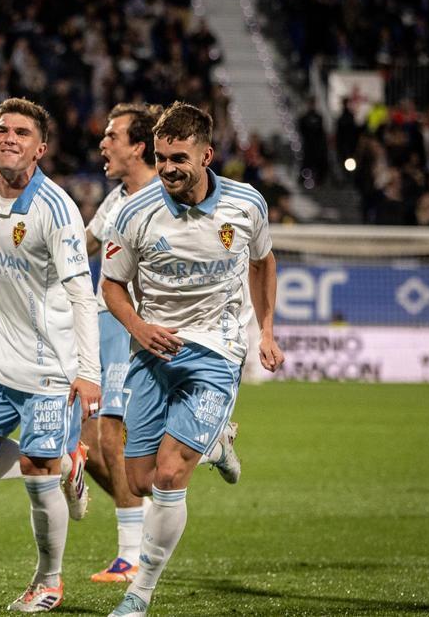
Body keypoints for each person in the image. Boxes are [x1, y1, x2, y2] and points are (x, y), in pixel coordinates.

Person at [103, 102, 284, 617]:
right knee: (137, 481)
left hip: (217, 351)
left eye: (178, 157)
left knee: (168, 475)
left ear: (207, 154)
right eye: (161, 158)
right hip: (153, 351)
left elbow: (263, 262)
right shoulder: (134, 213)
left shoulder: (246, 205)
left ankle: (140, 593)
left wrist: (266, 330)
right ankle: (217, 442)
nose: (167, 169)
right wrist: (139, 327)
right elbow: (112, 286)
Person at [0, 98, 101, 613]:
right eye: (1, 130)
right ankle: (67, 460)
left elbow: (83, 294)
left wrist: (88, 373)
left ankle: (49, 582)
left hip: (49, 370)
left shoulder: (57, 210)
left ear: (40, 148)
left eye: (21, 132)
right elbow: (14, 250)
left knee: (36, 474)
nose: (9, 138)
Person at [77, 102, 164, 583]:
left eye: (112, 136)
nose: (103, 143)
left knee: (111, 436)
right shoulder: (116, 198)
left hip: (132, 327)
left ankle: (131, 556)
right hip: (101, 324)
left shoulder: (160, 199)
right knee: (86, 442)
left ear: (138, 146)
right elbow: (85, 244)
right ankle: (146, 519)